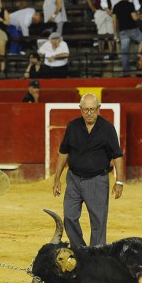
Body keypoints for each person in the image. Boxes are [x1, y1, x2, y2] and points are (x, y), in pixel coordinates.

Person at [52, 93, 124, 248]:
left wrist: (119, 181)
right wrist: (57, 178)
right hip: (74, 179)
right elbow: (63, 152)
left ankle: (96, 256)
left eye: (92, 109)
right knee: (69, 216)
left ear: (98, 109)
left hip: (97, 180)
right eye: (86, 110)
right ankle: (80, 251)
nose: (89, 113)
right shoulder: (72, 126)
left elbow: (117, 156)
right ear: (80, 110)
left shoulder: (107, 128)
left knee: (98, 221)